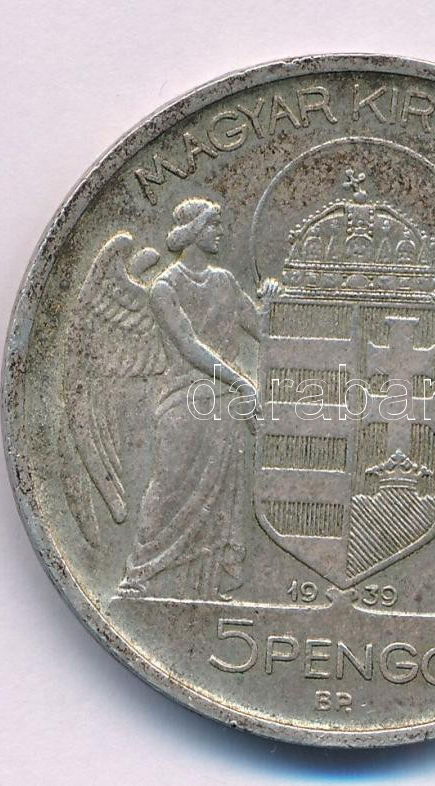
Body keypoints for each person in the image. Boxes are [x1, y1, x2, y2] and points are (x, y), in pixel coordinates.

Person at [118, 198, 266, 600]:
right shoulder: (164, 288)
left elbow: (261, 327)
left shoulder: (225, 282)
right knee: (168, 489)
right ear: (195, 231)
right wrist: (240, 381)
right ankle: (140, 574)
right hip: (184, 405)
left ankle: (207, 589)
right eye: (213, 225)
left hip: (223, 410)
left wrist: (275, 301)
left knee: (217, 506)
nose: (221, 232)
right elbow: (188, 345)